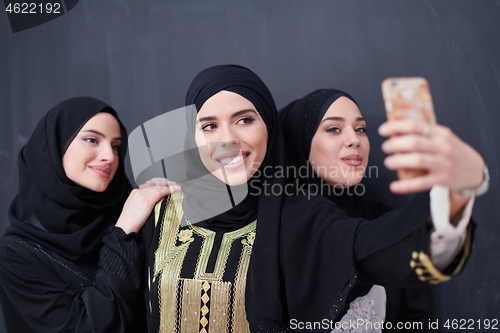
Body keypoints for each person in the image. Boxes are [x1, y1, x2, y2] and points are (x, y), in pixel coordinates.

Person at [140, 65, 484, 333]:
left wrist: (457, 189)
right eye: (209, 126)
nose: (227, 138)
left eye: (245, 120)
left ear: (270, 129)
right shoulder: (162, 210)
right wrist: (124, 228)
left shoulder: (295, 214)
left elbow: (372, 248)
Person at [279, 89, 485, 331]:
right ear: (298, 141)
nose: (354, 139)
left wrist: (457, 188)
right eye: (333, 128)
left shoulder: (381, 218)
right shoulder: (277, 228)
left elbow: (414, 318)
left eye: (360, 129)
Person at [0, 97, 173, 333]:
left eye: (115, 146)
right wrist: (123, 232)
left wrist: (170, 208)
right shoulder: (16, 254)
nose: (110, 157)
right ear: (54, 146)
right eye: (92, 140)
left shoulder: (136, 212)